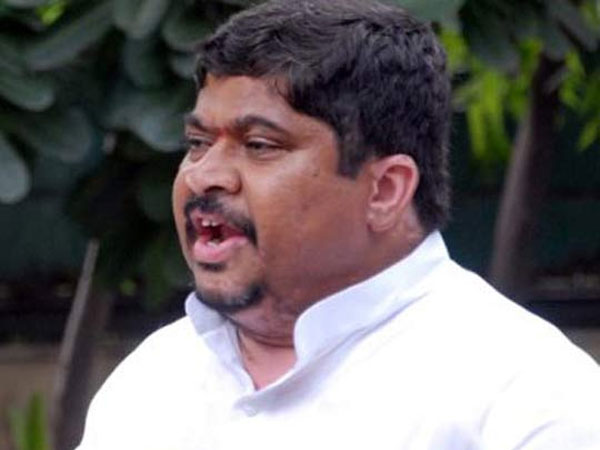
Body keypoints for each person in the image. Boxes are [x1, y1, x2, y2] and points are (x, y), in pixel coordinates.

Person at [76, 0, 600, 449]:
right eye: (197, 143)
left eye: (259, 145)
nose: (203, 176)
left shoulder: (526, 397)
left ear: (386, 190)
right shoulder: (153, 379)